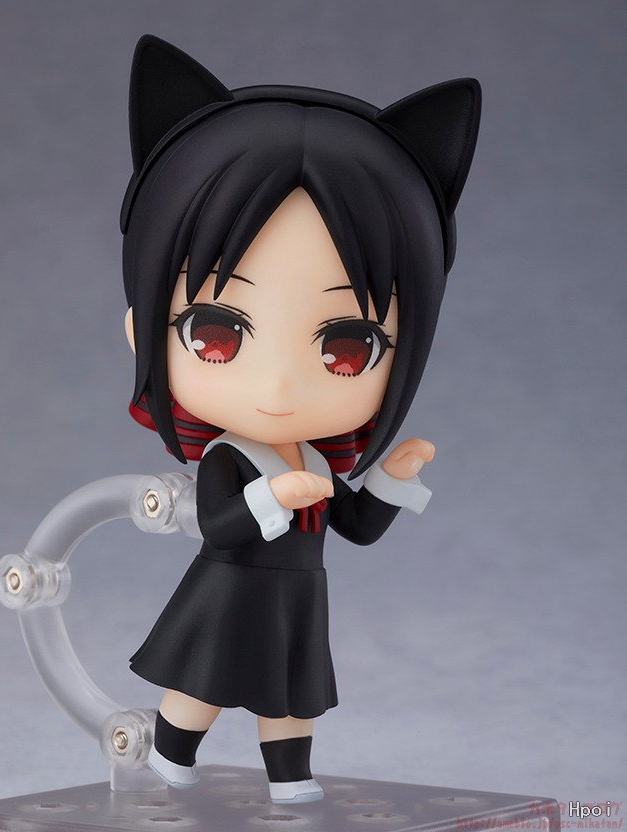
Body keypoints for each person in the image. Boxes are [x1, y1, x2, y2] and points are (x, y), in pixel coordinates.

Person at [120, 35, 481, 804]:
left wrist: (389, 480)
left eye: (347, 346)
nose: (280, 385)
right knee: (201, 687)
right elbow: (218, 526)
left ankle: (291, 781)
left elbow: (355, 526)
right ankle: (170, 760)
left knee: (292, 697)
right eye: (217, 333)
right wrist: (270, 497)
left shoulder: (315, 461)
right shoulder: (232, 457)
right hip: (228, 592)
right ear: (142, 331)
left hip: (297, 597)